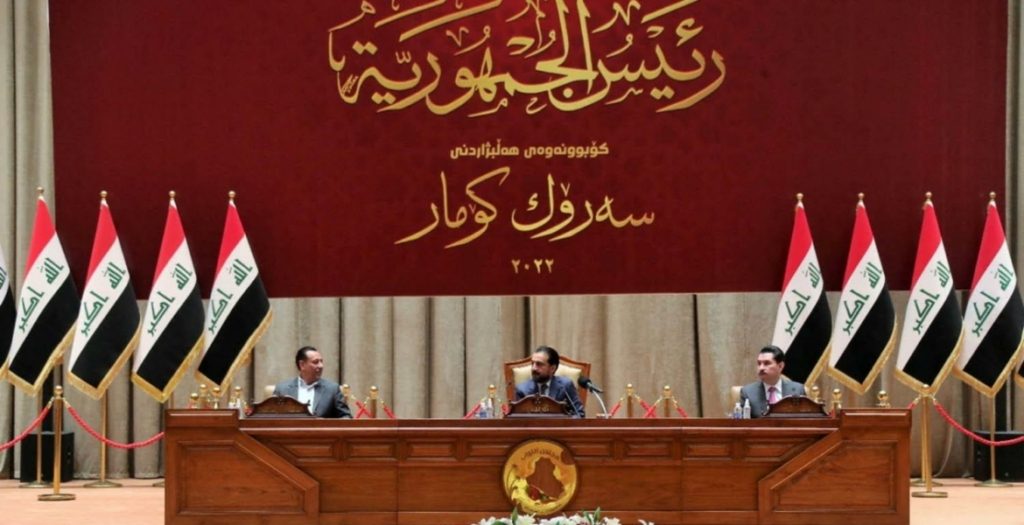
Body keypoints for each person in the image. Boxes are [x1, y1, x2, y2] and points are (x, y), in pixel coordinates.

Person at [273, 346, 352, 418]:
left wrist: (325, 424)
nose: (321, 366)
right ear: (302, 365)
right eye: (315, 362)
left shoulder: (332, 389)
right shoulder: (282, 389)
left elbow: (346, 417)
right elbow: (271, 417)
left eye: (321, 361)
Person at [514, 346, 585, 418]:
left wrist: (563, 422)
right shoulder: (522, 390)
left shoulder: (565, 386)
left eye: (539, 364)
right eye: (532, 363)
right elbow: (517, 419)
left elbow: (579, 414)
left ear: (552, 368)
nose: (534, 368)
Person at [739, 345, 806, 418]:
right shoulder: (748, 392)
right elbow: (742, 422)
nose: (761, 368)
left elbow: (805, 419)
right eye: (759, 363)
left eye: (766, 363)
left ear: (780, 366)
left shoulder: (798, 390)